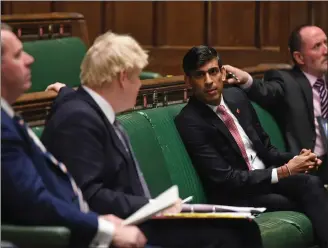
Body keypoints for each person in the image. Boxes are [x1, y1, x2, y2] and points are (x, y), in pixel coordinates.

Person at [41, 31, 264, 247]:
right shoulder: (78, 118)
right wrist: (154, 205)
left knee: (241, 227)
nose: (139, 84)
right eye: (137, 76)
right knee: (231, 235)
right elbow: (89, 194)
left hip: (137, 218)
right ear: (122, 78)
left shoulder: (88, 108)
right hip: (116, 229)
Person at [1, 23, 147, 248]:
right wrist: (101, 226)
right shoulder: (5, 128)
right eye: (18, 54)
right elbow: (35, 202)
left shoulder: (9, 118)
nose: (30, 59)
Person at [174, 45, 328, 247]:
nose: (209, 81)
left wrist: (299, 158)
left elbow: (267, 149)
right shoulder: (189, 121)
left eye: (213, 72)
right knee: (306, 198)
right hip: (237, 195)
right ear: (188, 81)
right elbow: (225, 179)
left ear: (222, 72)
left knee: (314, 179)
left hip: (266, 179)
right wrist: (284, 171)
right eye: (200, 75)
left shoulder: (236, 97)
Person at [224, 24, 328, 183]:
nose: (326, 50)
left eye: (326, 43)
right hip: (311, 165)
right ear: (299, 57)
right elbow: (265, 91)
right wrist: (246, 79)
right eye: (317, 46)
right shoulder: (287, 81)